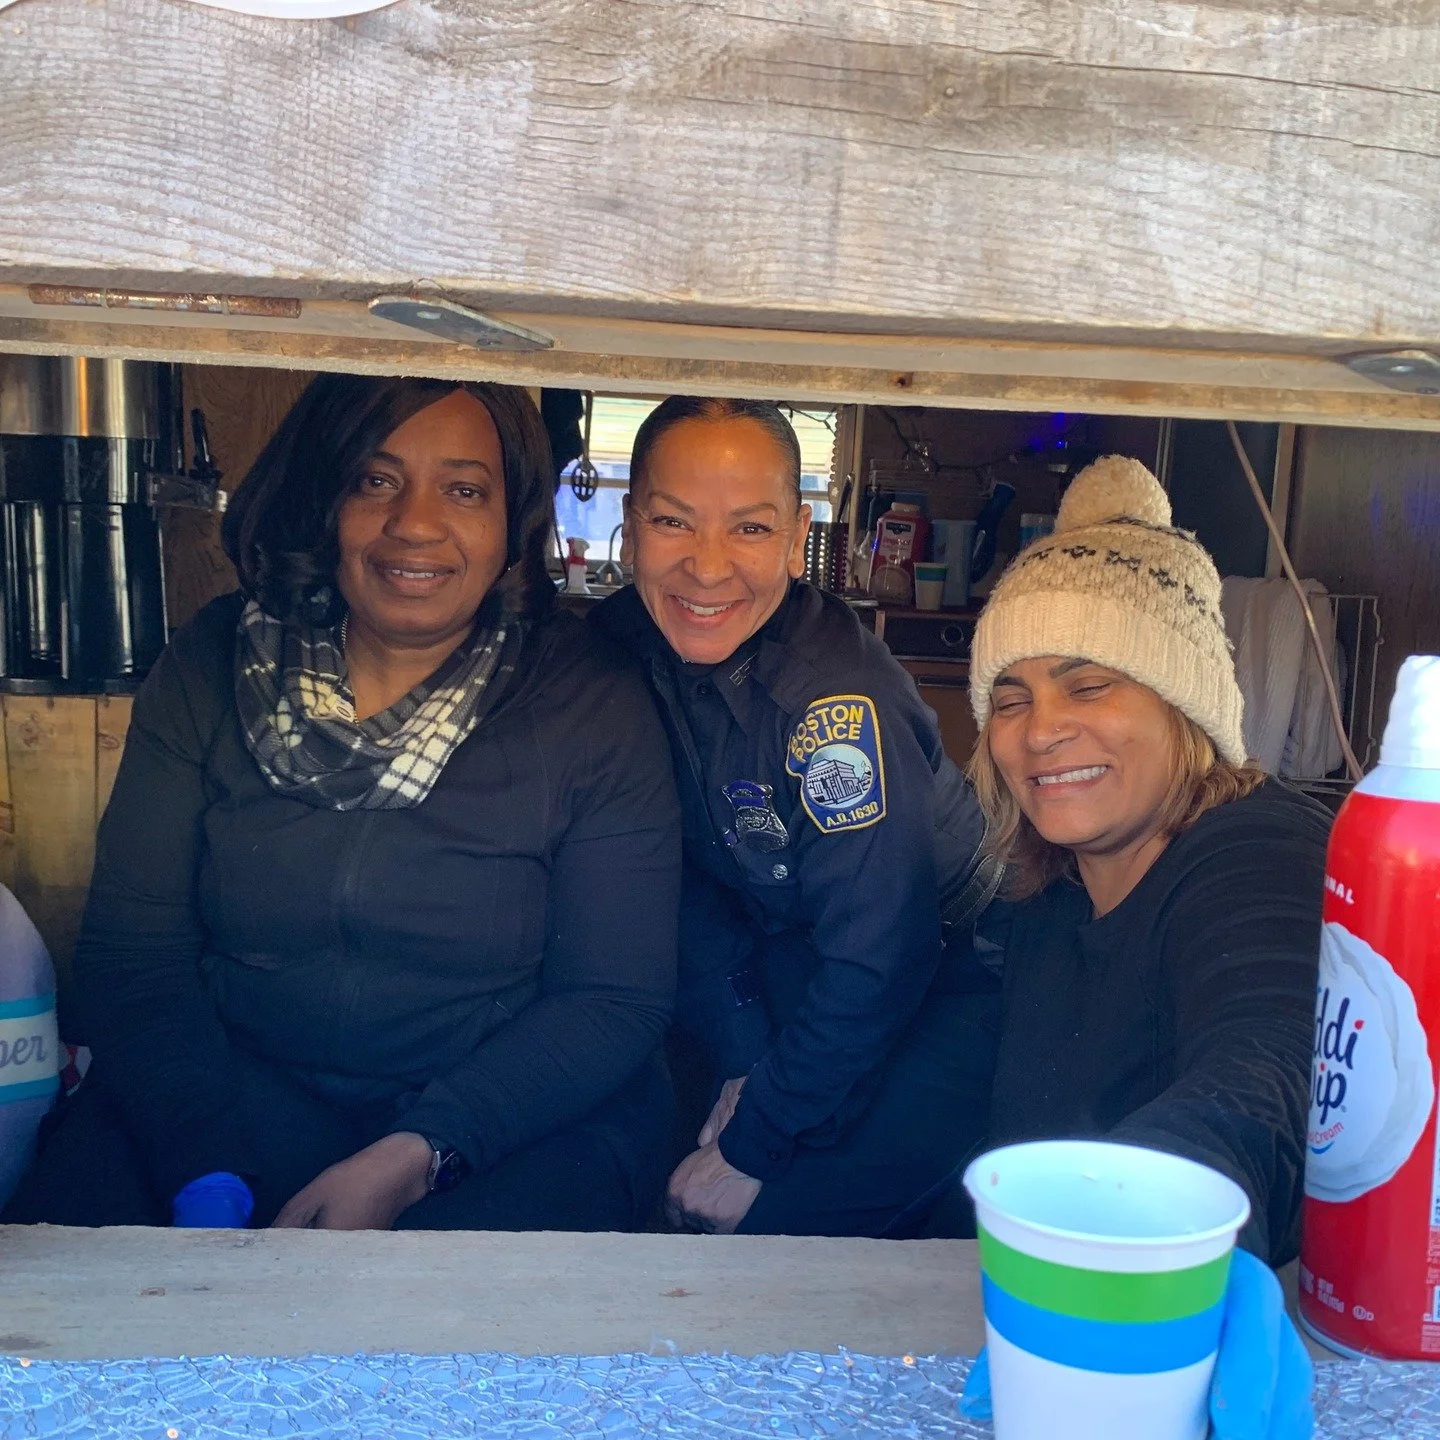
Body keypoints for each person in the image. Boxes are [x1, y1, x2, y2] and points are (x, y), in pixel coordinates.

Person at [6, 375, 679, 1232]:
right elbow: (135, 957)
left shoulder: (590, 702)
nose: (416, 523)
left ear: (513, 526)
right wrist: (203, 1172)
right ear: (323, 496)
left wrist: (419, 1154)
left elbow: (613, 998)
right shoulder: (214, 663)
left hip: (503, 1123)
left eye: (465, 490)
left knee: (452, 1341)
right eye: (375, 480)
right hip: (226, 1103)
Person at [593, 396, 1001, 1238]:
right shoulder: (621, 648)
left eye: (748, 529)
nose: (707, 570)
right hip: (781, 947)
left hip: (951, 967)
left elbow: (882, 950)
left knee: (783, 1218)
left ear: (795, 531)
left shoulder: (833, 705)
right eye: (674, 521)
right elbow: (673, 878)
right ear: (631, 523)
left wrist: (756, 1138)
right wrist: (746, 1058)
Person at [965, 453, 1331, 1265]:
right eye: (1010, 699)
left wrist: (1141, 1230)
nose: (1038, 730)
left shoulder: (1261, 855)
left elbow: (1268, 1067)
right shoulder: (1050, 891)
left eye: (1088, 686)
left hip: (1173, 1314)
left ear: (1184, 706)